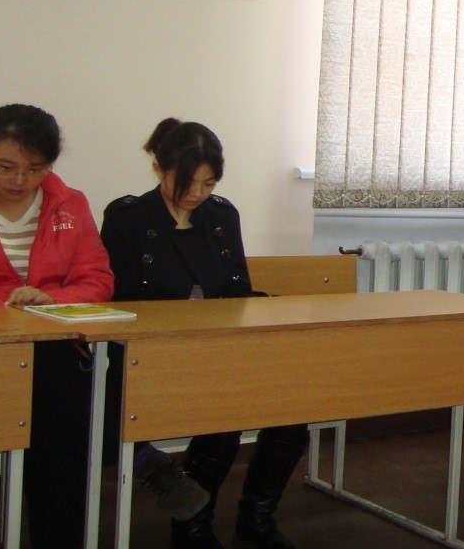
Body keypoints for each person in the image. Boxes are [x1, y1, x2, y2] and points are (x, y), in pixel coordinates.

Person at [101, 119, 308, 549]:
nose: (197, 194)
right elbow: (116, 302)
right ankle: (192, 529)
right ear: (159, 169)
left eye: (208, 183)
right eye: (187, 183)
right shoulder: (128, 218)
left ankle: (256, 522)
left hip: (219, 350)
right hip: (152, 356)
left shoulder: (221, 217)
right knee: (222, 422)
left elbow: (236, 292)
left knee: (292, 414)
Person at [0, 104, 114, 549]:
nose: (20, 181)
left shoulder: (69, 203)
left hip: (49, 346)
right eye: (6, 167)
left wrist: (48, 300)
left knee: (67, 415)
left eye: (36, 169)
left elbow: (97, 280)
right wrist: (10, 310)